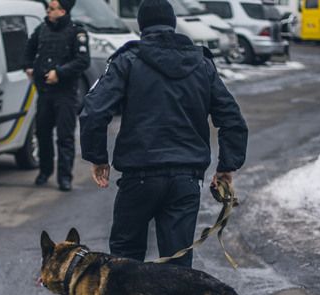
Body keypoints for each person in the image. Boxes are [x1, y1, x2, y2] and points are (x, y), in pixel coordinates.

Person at [79, 0, 248, 268]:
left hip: (139, 178)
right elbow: (232, 118)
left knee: (124, 264)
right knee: (177, 270)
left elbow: (93, 111)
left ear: (142, 27)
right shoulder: (201, 64)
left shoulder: (128, 61)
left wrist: (98, 157)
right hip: (186, 180)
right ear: (172, 23)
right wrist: (227, 165)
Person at [24, 0, 90, 191]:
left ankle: (64, 177)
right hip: (44, 92)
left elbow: (82, 61)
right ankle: (45, 171)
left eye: (52, 9)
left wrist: (59, 73)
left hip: (65, 93)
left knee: (64, 137)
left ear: (62, 11)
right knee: (42, 134)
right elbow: (29, 50)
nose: (48, 11)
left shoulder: (76, 32)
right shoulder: (42, 29)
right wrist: (28, 66)